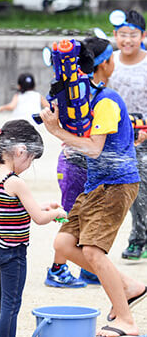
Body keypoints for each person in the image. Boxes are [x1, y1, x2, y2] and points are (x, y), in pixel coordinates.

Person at [40, 38, 147, 337]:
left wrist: (56, 131)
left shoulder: (107, 100)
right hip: (95, 183)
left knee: (92, 250)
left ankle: (126, 320)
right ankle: (128, 286)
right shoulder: (81, 100)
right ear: (105, 63)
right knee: (63, 245)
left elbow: (94, 148)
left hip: (117, 182)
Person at [0, 120, 66, 337]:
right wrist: (57, 213)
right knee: (11, 303)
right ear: (21, 151)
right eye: (30, 159)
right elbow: (39, 218)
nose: (29, 165)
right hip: (12, 252)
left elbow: (12, 208)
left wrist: (42, 207)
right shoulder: (15, 181)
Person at [45, 38, 115, 288]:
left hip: (81, 163)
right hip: (75, 164)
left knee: (88, 218)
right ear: (104, 63)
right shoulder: (87, 91)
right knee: (71, 217)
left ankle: (88, 268)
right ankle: (57, 268)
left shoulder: (84, 90)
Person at [108, 9, 147, 260]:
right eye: (123, 35)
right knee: (127, 190)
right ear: (115, 35)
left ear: (143, 35)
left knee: (142, 188)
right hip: (119, 136)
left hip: (145, 134)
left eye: (133, 35)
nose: (128, 40)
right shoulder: (109, 61)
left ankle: (139, 239)